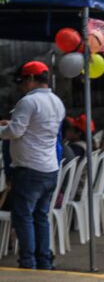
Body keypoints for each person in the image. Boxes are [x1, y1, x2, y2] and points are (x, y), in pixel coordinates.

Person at [0, 61, 65, 269]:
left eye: (21, 81)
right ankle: (43, 260)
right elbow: (37, 129)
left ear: (30, 79)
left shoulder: (28, 102)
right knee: (40, 216)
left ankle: (28, 261)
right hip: (49, 168)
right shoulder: (57, 102)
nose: (19, 87)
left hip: (29, 168)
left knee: (23, 216)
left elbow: (16, 133)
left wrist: (4, 129)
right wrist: (11, 125)